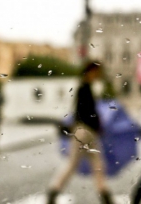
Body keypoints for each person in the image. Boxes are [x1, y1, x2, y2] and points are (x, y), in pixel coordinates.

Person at [47, 62, 113, 204]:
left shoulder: (86, 87)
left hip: (87, 132)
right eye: (97, 72)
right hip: (84, 131)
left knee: (97, 164)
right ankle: (53, 190)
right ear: (90, 71)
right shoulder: (84, 88)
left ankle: (104, 193)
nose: (98, 75)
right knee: (75, 164)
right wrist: (98, 123)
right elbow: (86, 112)